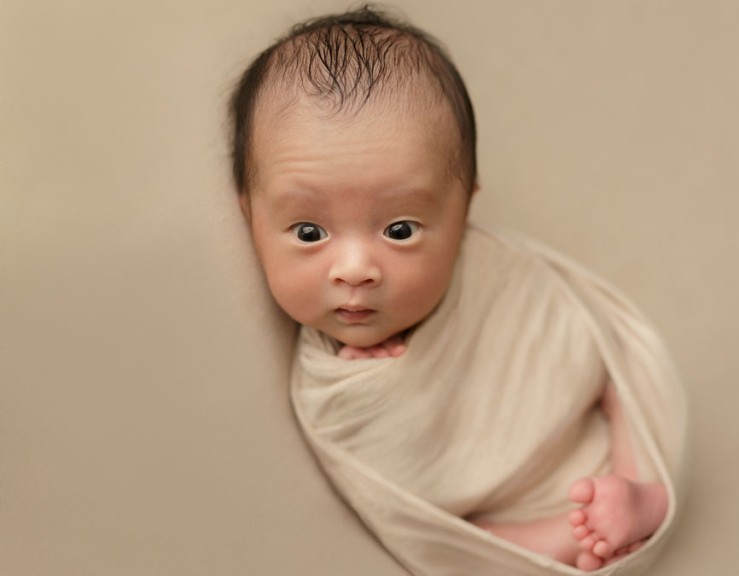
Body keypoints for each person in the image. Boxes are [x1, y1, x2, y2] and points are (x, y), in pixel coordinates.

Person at [229, 5, 674, 572]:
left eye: (400, 230)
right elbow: (398, 486)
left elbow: (563, 332)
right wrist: (382, 392)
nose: (356, 270)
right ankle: (561, 534)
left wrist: (589, 370)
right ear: (250, 216)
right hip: (507, 507)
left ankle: (640, 482)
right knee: (466, 538)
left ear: (462, 212)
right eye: (310, 233)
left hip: (586, 419)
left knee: (619, 371)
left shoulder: (489, 274)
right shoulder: (327, 386)